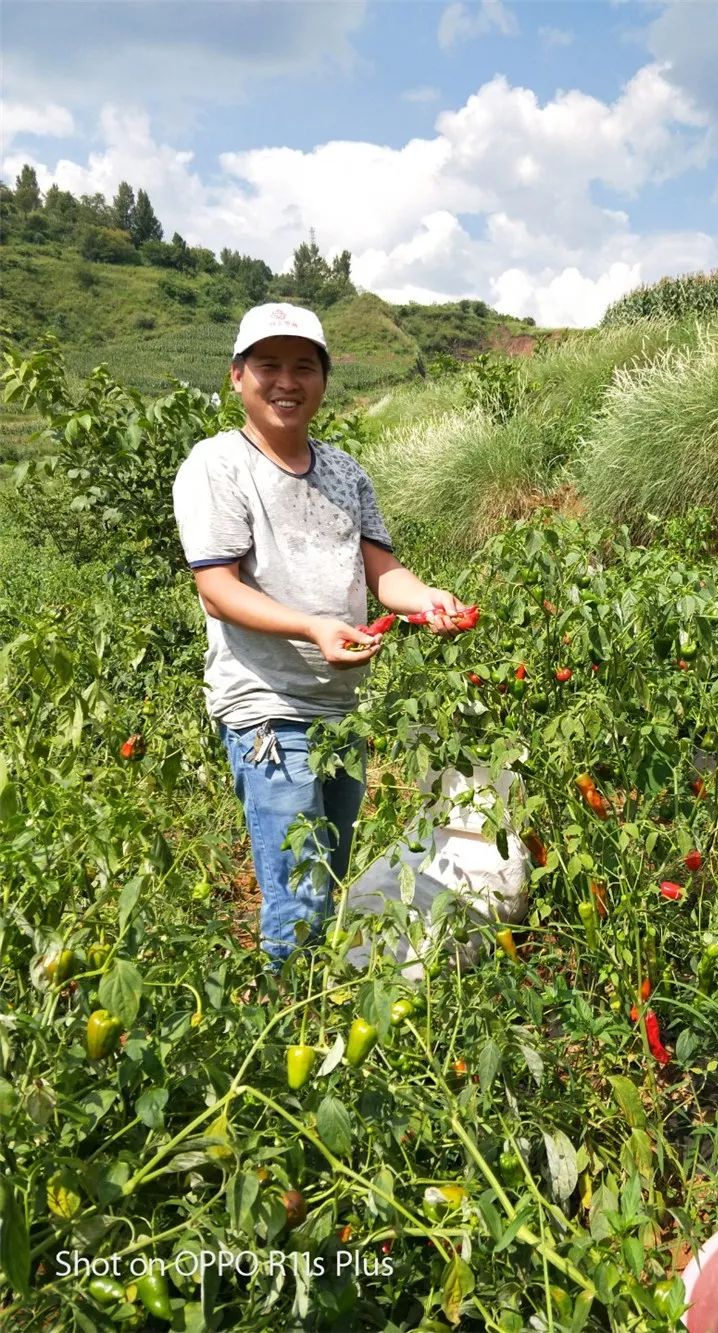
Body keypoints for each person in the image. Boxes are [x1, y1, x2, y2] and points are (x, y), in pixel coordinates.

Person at [172, 302, 467, 967]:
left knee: (327, 873)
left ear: (325, 380)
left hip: (340, 709)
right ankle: (287, 1015)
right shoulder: (218, 465)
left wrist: (426, 600)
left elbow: (382, 570)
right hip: (267, 705)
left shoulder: (345, 472)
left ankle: (310, 1005)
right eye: (268, 366)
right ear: (237, 376)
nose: (286, 382)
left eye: (304, 367)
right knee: (300, 892)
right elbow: (216, 588)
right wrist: (312, 627)